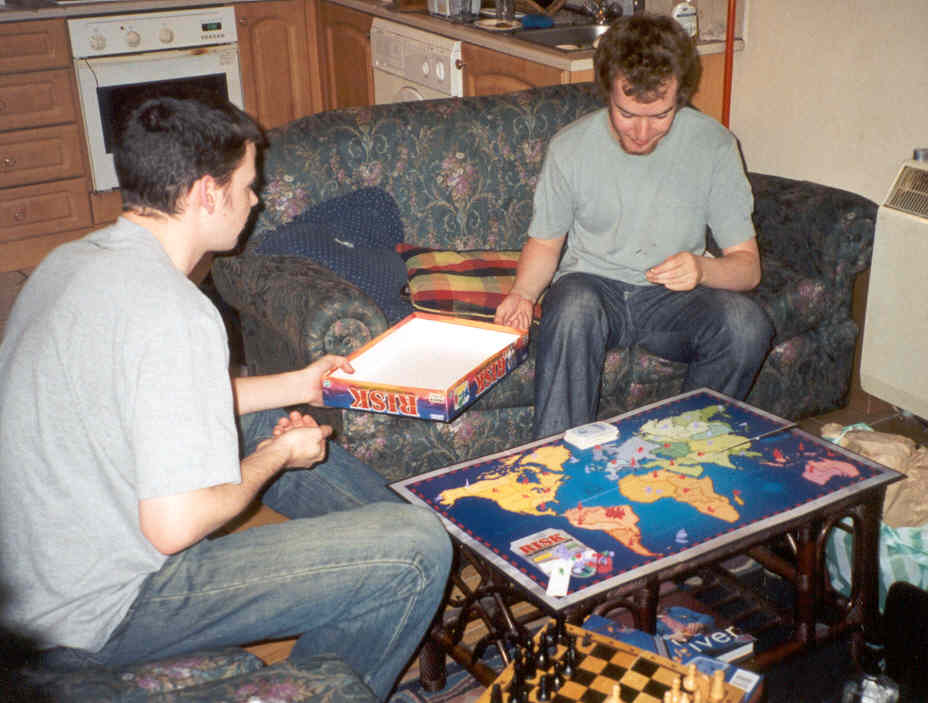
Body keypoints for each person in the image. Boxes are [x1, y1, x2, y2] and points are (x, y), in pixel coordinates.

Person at [0, 94, 451, 702]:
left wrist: (301, 384)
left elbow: (158, 397)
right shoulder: (174, 312)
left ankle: (380, 546)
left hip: (30, 587)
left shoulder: (69, 263)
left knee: (262, 417)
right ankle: (337, 671)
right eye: (246, 183)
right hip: (98, 613)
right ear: (207, 194)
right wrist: (279, 457)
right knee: (419, 550)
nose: (256, 199)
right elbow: (174, 526)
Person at [494, 14, 773, 439]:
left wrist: (702, 270)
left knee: (746, 325)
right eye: (627, 113)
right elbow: (546, 243)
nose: (642, 132)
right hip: (592, 288)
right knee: (570, 309)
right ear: (607, 90)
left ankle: (682, 453)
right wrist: (522, 294)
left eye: (660, 115)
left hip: (672, 300)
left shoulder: (714, 146)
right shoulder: (569, 148)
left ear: (681, 96)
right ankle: (559, 464)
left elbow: (747, 267)